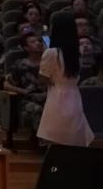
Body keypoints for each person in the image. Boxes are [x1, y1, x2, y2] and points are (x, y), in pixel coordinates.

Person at [37, 11, 94, 147]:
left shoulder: (51, 53)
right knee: (73, 141)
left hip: (57, 97)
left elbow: (43, 78)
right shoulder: (76, 52)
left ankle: (54, 162)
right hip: (74, 96)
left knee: (56, 142)